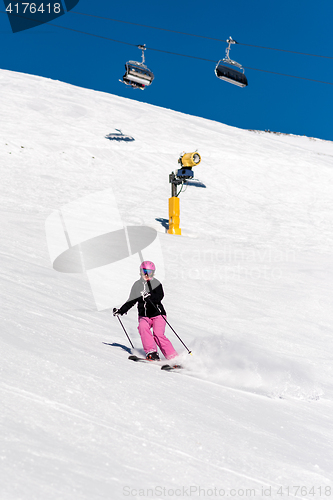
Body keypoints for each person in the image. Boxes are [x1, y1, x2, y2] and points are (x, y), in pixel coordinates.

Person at [113, 261, 178, 361]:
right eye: (144, 272)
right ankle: (151, 352)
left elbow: (160, 296)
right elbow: (131, 300)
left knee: (158, 334)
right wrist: (121, 310)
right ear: (140, 272)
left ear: (153, 273)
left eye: (150, 272)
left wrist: (150, 297)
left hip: (158, 314)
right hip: (144, 315)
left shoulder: (156, 283)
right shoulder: (137, 285)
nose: (147, 274)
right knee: (142, 327)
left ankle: (173, 358)